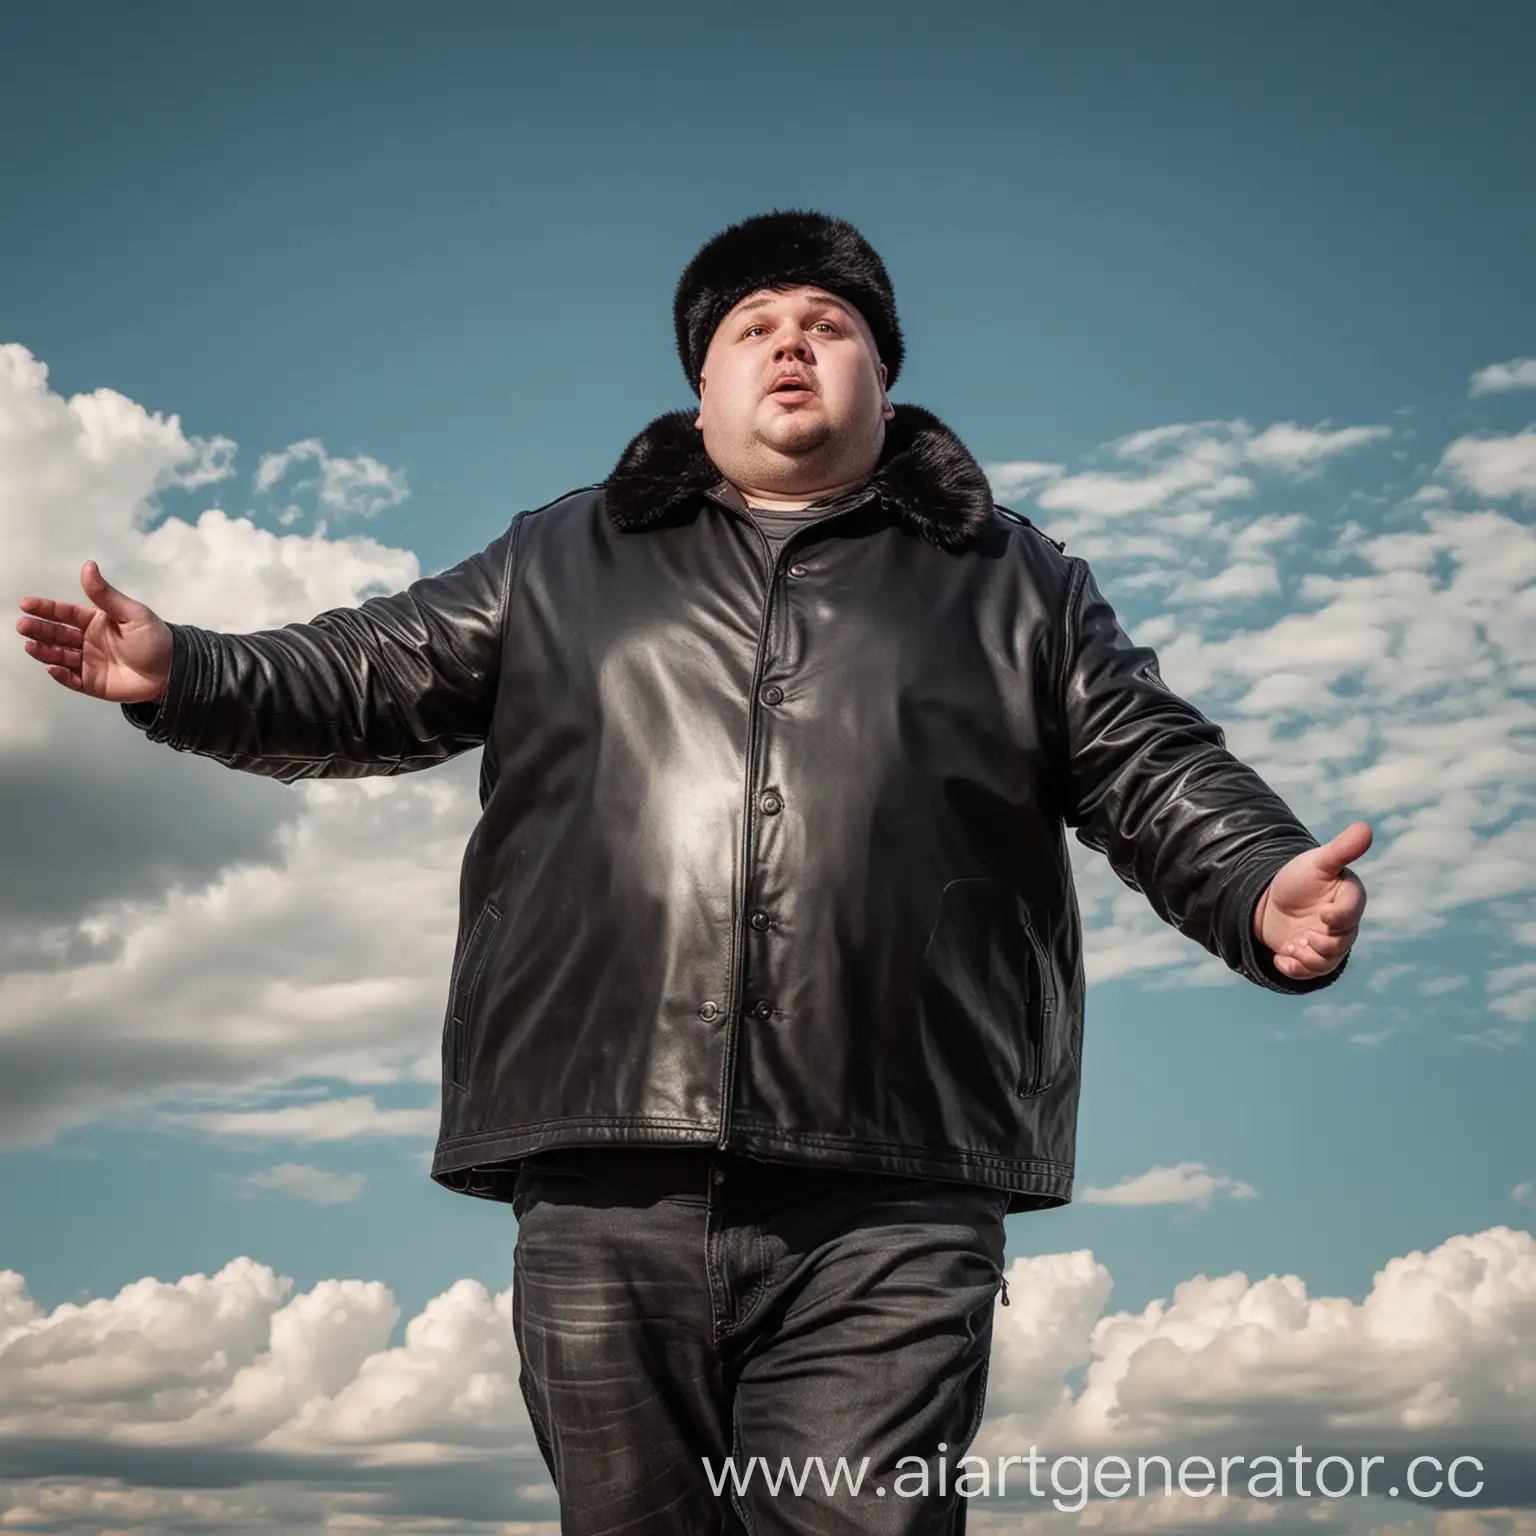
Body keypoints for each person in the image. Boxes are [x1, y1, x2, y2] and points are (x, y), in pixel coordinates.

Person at [14, 209, 1369, 1535]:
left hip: (890, 1182)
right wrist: (185, 669)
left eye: (830, 327)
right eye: (757, 328)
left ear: (882, 381)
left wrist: (1259, 881)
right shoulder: (562, 555)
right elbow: (369, 672)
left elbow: (1147, 761)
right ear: (701, 380)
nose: (794, 346)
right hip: (607, 1168)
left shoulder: (1014, 582)